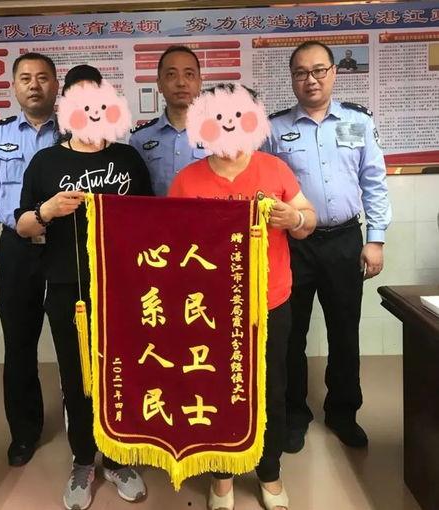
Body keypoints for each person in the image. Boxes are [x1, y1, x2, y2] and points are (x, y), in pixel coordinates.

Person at [169, 83, 316, 510]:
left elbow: (308, 219)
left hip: (270, 301)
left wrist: (294, 218)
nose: (228, 125)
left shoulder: (275, 169)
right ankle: (222, 476)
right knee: (216, 390)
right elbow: (171, 245)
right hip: (210, 309)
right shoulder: (187, 179)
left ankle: (270, 473)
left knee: (271, 388)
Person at [15, 64, 152, 510]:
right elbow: (22, 225)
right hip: (67, 289)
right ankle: (83, 459)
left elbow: (152, 223)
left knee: (122, 373)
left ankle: (117, 457)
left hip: (124, 288)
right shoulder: (46, 162)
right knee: (77, 378)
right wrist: (47, 210)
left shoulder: (128, 159)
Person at [266, 41, 391, 453]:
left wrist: (375, 240)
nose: (311, 79)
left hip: (344, 241)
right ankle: (294, 415)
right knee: (291, 334)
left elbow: (374, 182)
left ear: (334, 72)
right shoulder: (274, 129)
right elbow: (262, 184)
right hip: (293, 245)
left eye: (319, 70)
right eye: (301, 72)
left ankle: (343, 413)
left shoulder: (357, 121)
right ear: (292, 79)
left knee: (344, 330)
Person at [0, 52, 59, 467]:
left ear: (56, 85)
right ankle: (24, 432)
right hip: (17, 250)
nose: (34, 85)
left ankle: (83, 422)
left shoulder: (75, 131)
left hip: (65, 247)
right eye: (26, 78)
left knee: (78, 340)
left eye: (42, 77)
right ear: (14, 87)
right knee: (19, 344)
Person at [129, 45, 206, 195]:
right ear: (159, 84)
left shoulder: (219, 135)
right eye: (171, 75)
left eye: (189, 74)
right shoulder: (140, 138)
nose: (181, 83)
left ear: (199, 83)